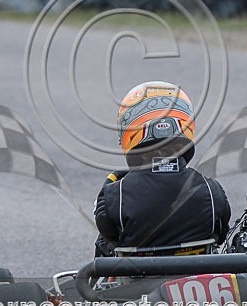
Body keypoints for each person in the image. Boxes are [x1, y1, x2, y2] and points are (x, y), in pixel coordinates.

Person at [93, 81, 231, 257]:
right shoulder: (211, 191)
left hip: (136, 274)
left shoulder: (115, 195)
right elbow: (220, 235)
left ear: (130, 131)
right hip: (199, 273)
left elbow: (109, 238)